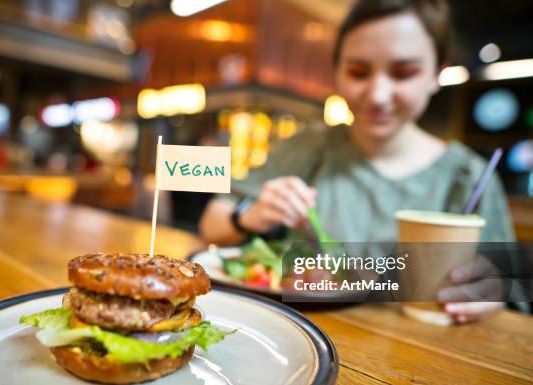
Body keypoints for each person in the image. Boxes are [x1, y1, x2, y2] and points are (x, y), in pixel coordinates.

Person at [199, 0, 515, 322]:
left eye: (403, 73)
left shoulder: (469, 177)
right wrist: (252, 215)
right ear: (336, 72)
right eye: (358, 72)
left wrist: (492, 289)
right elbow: (212, 223)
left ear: (437, 74)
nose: (377, 95)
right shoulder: (308, 147)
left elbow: (507, 284)